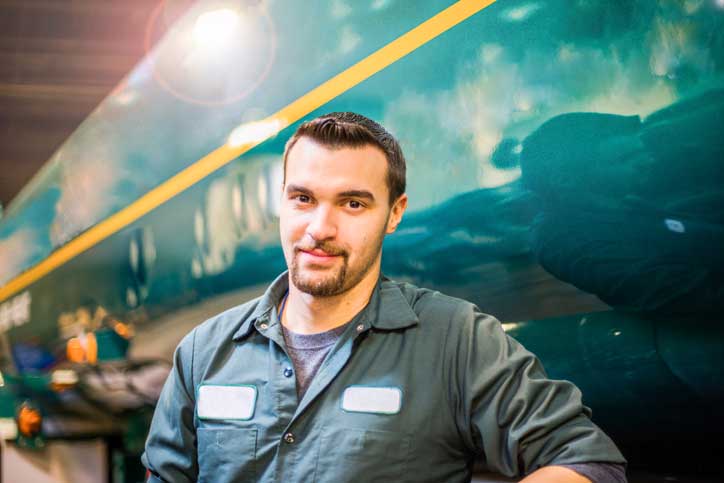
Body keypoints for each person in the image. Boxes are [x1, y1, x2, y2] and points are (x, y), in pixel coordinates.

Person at [142, 112, 626, 482]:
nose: (319, 229)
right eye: (303, 199)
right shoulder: (204, 352)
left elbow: (584, 459)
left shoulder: (456, 340)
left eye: (352, 203)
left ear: (394, 214)